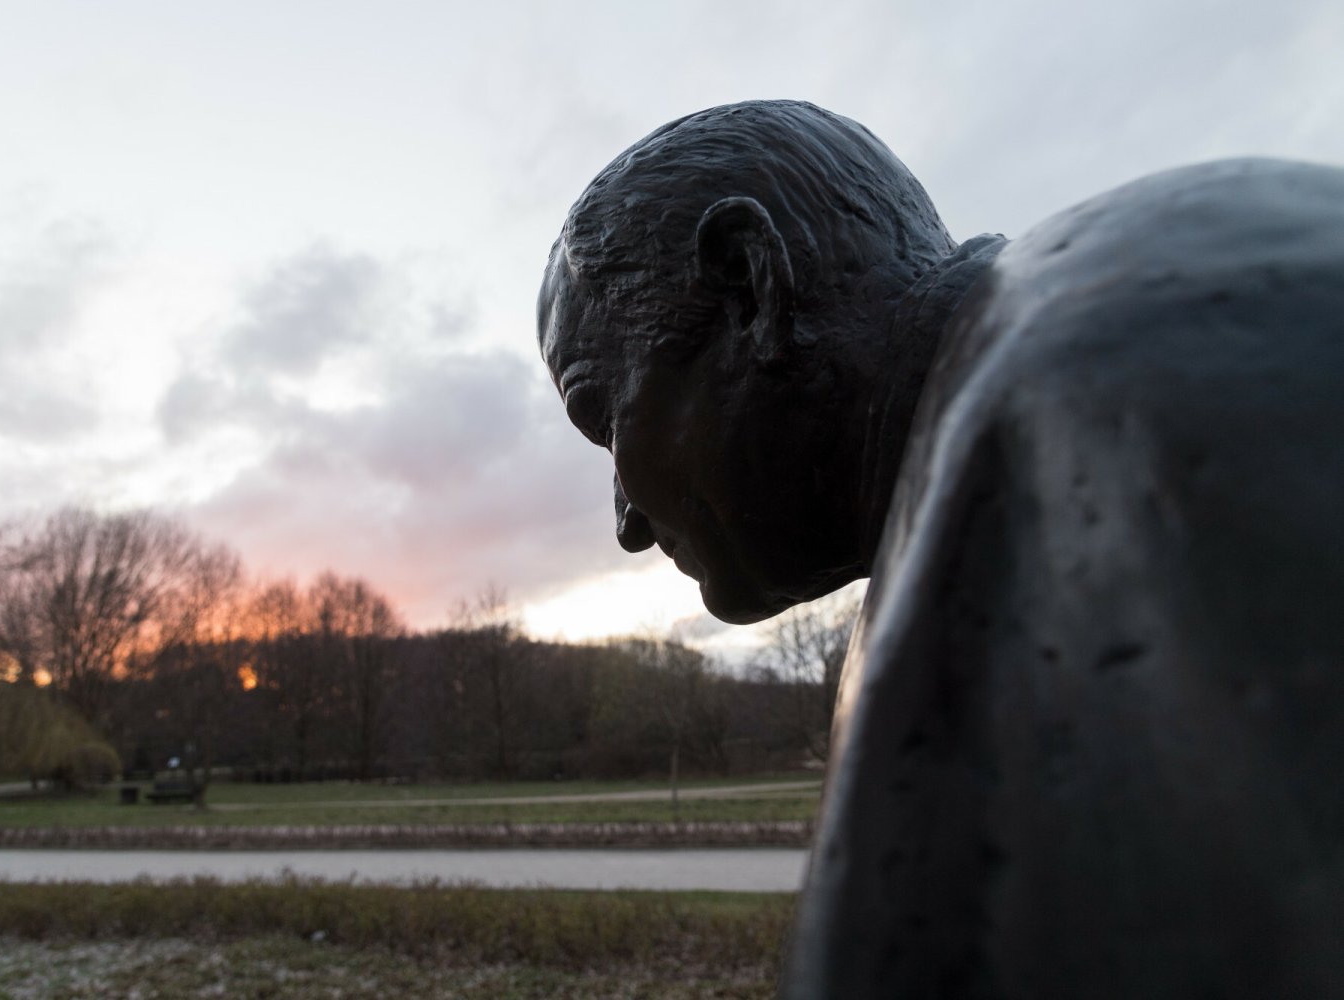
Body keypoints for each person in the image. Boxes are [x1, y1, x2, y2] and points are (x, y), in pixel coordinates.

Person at [538, 100, 1344, 997]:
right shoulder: (1016, 417)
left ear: (748, 282)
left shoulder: (1092, 401)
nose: (627, 521)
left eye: (604, 418)